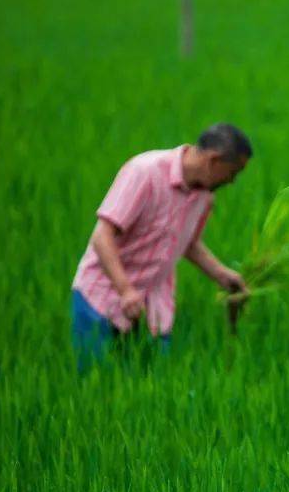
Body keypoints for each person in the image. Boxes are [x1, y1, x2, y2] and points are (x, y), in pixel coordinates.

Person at [70, 123, 252, 371]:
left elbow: (187, 243)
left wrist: (221, 275)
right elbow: (102, 236)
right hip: (102, 299)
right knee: (97, 388)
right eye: (232, 173)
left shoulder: (204, 195)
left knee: (150, 390)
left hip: (153, 307)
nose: (231, 181)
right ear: (214, 160)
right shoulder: (145, 172)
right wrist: (125, 290)